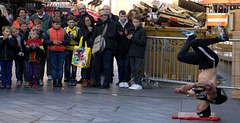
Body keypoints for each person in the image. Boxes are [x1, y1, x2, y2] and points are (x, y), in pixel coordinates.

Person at [174, 28, 229, 117]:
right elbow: (209, 85)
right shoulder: (211, 97)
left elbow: (188, 92)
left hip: (203, 63)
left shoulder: (197, 96)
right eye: (199, 109)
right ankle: (220, 38)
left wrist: (180, 90)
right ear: (205, 108)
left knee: (181, 56)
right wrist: (192, 85)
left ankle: (191, 36)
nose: (196, 107)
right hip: (211, 61)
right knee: (195, 44)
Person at [91, 9, 117, 89]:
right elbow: (94, 37)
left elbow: (114, 35)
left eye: (105, 15)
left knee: (107, 66)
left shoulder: (112, 24)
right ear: (99, 16)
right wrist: (94, 49)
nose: (104, 17)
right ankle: (97, 81)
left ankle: (106, 82)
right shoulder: (97, 25)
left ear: (108, 15)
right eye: (101, 15)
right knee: (96, 65)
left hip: (107, 48)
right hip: (98, 49)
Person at [44, 17, 70, 87]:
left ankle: (59, 80)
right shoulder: (49, 31)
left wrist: (61, 42)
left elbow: (67, 40)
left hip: (61, 51)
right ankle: (54, 80)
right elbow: (45, 41)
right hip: (52, 51)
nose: (58, 25)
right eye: (56, 24)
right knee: (54, 66)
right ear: (53, 24)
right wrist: (53, 43)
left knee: (60, 66)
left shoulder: (63, 31)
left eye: (59, 24)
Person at [30, 1, 53, 80]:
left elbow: (51, 28)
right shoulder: (33, 17)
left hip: (46, 39)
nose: (38, 10)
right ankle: (38, 76)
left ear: (43, 8)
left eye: (39, 9)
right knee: (39, 59)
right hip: (36, 40)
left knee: (48, 58)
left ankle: (49, 73)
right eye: (37, 9)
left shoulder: (49, 17)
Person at [127, 14, 146, 90]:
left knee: (138, 69)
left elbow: (142, 42)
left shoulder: (142, 31)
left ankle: (139, 83)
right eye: (134, 22)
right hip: (132, 52)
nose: (136, 23)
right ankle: (135, 82)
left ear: (139, 22)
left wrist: (132, 38)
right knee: (133, 69)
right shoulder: (131, 30)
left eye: (137, 22)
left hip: (138, 52)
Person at [115, 10, 134, 87]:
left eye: (124, 16)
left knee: (126, 65)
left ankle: (126, 80)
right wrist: (119, 35)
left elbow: (130, 34)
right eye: (122, 16)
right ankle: (121, 80)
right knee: (120, 65)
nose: (123, 18)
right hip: (118, 49)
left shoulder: (129, 24)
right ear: (119, 16)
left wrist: (126, 34)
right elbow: (114, 35)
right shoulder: (116, 24)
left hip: (127, 48)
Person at [79, 15, 95, 87]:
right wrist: (89, 32)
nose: (88, 22)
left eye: (89, 20)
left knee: (92, 66)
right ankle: (84, 80)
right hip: (84, 50)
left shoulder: (94, 29)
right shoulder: (81, 30)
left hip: (93, 50)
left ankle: (92, 80)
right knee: (84, 66)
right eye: (86, 21)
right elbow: (82, 38)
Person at [64, 15, 80, 86]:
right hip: (67, 49)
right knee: (67, 65)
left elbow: (80, 39)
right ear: (67, 22)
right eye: (70, 22)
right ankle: (68, 78)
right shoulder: (65, 29)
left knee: (74, 65)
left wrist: (73, 37)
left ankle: (73, 78)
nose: (72, 24)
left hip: (75, 49)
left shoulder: (77, 29)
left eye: (73, 22)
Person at [33, 19, 46, 86]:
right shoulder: (32, 33)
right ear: (35, 26)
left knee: (41, 66)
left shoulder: (43, 33)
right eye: (37, 26)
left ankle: (40, 78)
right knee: (33, 66)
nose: (39, 28)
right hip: (33, 53)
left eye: (40, 26)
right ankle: (34, 79)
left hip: (41, 53)